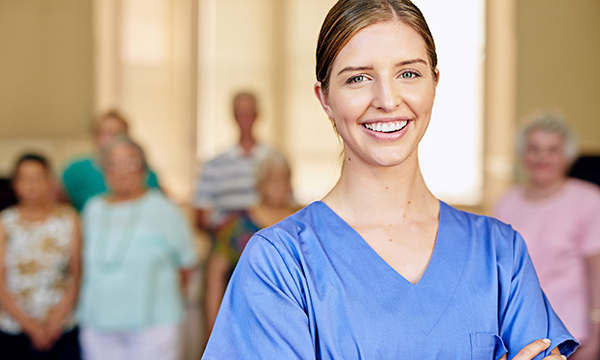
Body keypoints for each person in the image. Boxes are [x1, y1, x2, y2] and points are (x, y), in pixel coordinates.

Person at [202, 1, 578, 359]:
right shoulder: (281, 262)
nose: (387, 99)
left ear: (434, 84)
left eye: (408, 74)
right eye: (359, 78)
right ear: (325, 99)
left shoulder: (500, 255)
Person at [77, 136, 198, 360]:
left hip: (153, 325)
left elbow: (186, 266)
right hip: (97, 324)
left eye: (130, 163)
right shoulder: (92, 209)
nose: (121, 171)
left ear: (143, 168)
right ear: (104, 169)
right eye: (113, 164)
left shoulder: (164, 209)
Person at [495, 112, 600, 360]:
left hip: (574, 336)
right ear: (522, 154)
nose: (542, 157)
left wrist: (596, 337)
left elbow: (597, 272)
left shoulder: (588, 200)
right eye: (534, 148)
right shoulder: (506, 203)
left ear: (567, 156)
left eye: (552, 149)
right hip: (520, 332)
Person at [204, 153, 299, 338]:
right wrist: (214, 329)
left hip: (292, 327)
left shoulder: (301, 223)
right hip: (245, 325)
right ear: (259, 183)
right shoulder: (237, 225)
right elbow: (215, 277)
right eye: (272, 179)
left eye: (284, 178)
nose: (279, 185)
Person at [0, 154, 82, 359]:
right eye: (25, 178)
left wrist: (56, 321)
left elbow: (77, 274)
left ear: (49, 181)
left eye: (38, 177)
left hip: (62, 327)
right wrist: (31, 326)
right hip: (14, 327)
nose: (32, 185)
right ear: (15, 183)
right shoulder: (5, 222)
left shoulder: (68, 219)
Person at [193, 92, 273, 234]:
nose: (245, 118)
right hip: (226, 239)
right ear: (233, 116)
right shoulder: (213, 165)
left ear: (257, 115)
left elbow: (285, 206)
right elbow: (201, 217)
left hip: (267, 235)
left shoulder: (275, 160)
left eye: (249, 112)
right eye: (240, 113)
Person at [61, 110, 161, 212]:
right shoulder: (75, 172)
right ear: (94, 137)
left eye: (116, 133)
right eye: (103, 133)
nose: (109, 139)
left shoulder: (144, 173)